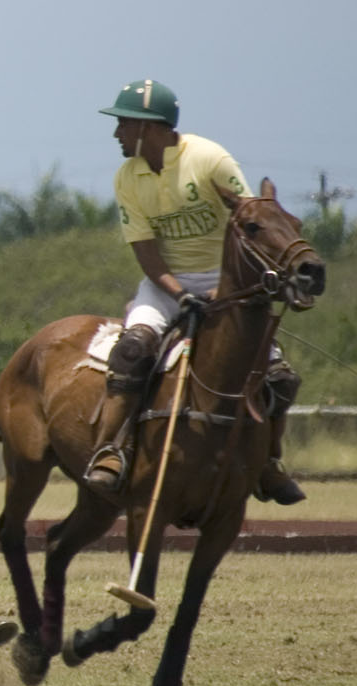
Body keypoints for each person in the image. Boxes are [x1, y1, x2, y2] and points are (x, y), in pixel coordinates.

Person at [85, 80, 305, 504]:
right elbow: (146, 251)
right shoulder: (127, 177)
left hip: (230, 287)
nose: (117, 134)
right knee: (132, 351)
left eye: (124, 124)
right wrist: (177, 292)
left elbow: (252, 221)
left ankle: (270, 463)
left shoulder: (209, 159)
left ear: (149, 127)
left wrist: (252, 281)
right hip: (166, 285)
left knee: (280, 377)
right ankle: (111, 451)